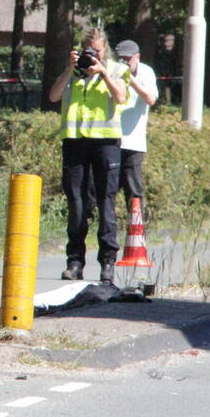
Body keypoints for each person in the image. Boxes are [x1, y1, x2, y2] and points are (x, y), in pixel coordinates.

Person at [47, 28, 129, 284]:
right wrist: (70, 69)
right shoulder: (73, 71)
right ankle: (75, 262)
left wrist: (103, 73)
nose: (93, 55)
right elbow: (53, 96)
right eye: (88, 50)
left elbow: (121, 96)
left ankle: (107, 262)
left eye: (98, 50)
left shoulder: (116, 70)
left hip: (106, 143)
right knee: (77, 204)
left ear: (105, 50)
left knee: (106, 203)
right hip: (75, 142)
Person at [113, 39, 158, 213]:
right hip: (111, 139)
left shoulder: (146, 72)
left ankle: (138, 232)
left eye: (127, 59)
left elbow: (150, 99)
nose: (123, 63)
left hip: (133, 143)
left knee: (133, 190)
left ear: (137, 57)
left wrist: (130, 79)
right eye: (120, 59)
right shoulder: (111, 71)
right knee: (105, 189)